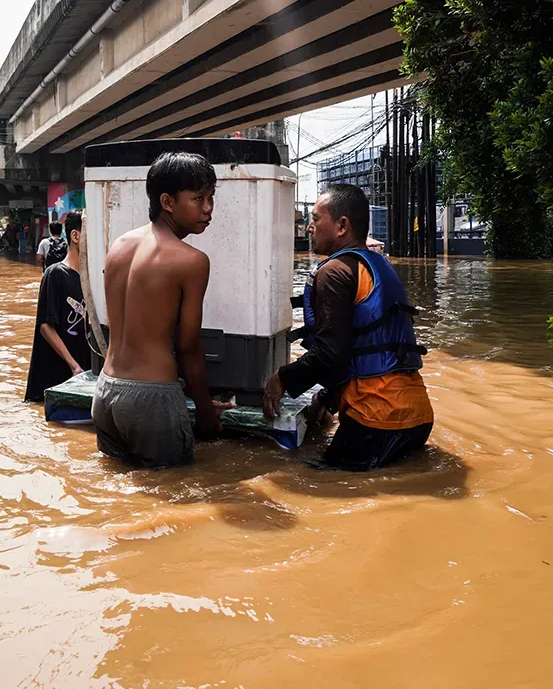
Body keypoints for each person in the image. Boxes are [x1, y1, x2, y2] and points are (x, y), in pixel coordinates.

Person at [263, 184, 434, 471]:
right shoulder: (379, 265)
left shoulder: (334, 271)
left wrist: (281, 379)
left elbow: (332, 353)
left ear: (342, 226)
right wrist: (326, 398)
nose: (308, 228)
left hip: (375, 421)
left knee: (311, 483)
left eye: (315, 220)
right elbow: (365, 347)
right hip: (417, 416)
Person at [92, 152, 233, 469]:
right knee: (174, 500)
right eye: (198, 199)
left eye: (211, 197)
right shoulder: (191, 261)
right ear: (168, 202)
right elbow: (188, 346)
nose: (209, 208)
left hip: (106, 393)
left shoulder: (119, 246)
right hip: (151, 400)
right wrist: (205, 411)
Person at [24, 211, 91, 403]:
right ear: (75, 236)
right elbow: (46, 326)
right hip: (57, 378)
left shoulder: (91, 278)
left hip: (81, 376)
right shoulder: (55, 274)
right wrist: (74, 366)